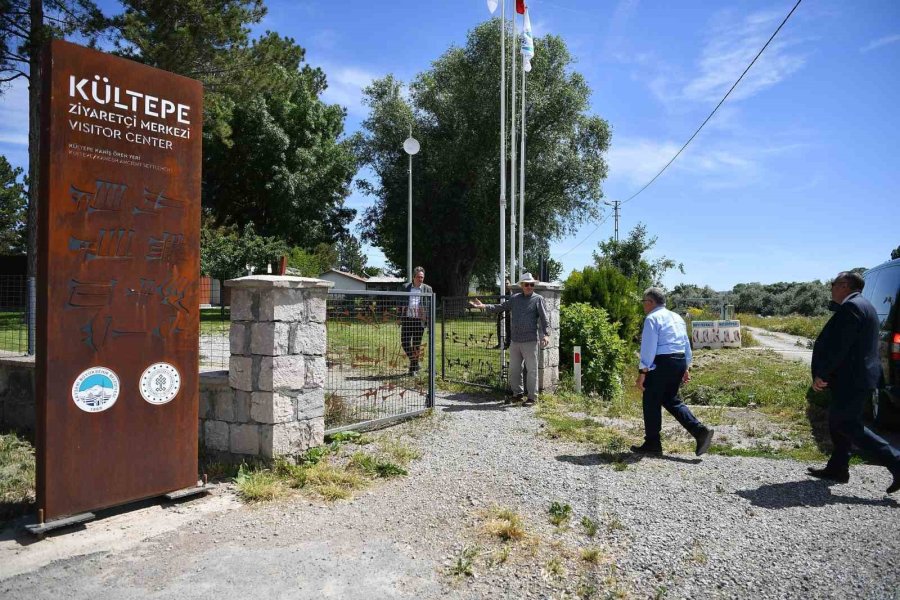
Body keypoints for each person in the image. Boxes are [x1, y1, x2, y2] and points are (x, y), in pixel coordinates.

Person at [809, 271, 900, 494]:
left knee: (848, 425)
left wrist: (823, 373)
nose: (831, 288)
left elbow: (841, 347)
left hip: (852, 379)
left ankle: (896, 461)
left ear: (844, 285)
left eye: (833, 283)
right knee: (837, 422)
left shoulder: (852, 307)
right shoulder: (864, 305)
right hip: (856, 378)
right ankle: (838, 468)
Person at [632, 287, 714, 456]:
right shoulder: (677, 317)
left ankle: (652, 443)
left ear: (650, 302)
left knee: (651, 399)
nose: (643, 306)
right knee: (671, 399)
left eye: (644, 302)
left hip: (662, 362)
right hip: (678, 360)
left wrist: (642, 372)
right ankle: (700, 432)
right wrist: (686, 367)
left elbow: (648, 348)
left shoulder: (652, 318)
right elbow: (685, 343)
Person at [470, 273, 549, 405]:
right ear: (522, 285)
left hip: (530, 341)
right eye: (526, 284)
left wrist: (546, 334)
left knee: (532, 370)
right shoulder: (515, 298)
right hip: (515, 341)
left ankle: (532, 398)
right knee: (514, 369)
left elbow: (544, 318)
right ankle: (517, 394)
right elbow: (500, 307)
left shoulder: (538, 299)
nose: (529, 287)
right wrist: (484, 306)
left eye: (531, 284)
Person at [401, 266, 432, 376]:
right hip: (407, 319)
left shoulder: (428, 289)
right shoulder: (405, 287)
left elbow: (431, 305)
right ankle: (415, 363)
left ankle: (412, 369)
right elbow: (400, 302)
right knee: (404, 342)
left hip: (419, 321)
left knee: (416, 345)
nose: (421, 279)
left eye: (422, 277)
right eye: (419, 277)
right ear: (414, 277)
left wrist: (426, 317)